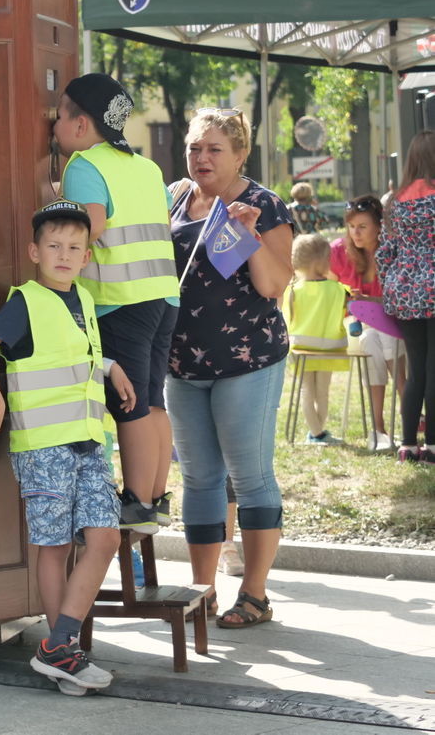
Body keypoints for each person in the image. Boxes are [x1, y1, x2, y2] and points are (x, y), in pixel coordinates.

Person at [0, 199, 135, 695]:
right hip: (43, 447)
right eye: (54, 246)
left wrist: (110, 368)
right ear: (34, 251)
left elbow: (77, 357)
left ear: (86, 257)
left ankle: (59, 646)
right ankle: (65, 653)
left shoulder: (81, 299)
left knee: (105, 538)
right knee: (56, 546)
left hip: (88, 442)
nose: (64, 254)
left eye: (74, 247)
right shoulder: (25, 302)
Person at [166, 107, 293, 628]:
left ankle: (255, 594)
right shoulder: (173, 197)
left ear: (240, 154)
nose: (202, 158)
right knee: (199, 480)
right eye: (195, 147)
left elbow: (273, 286)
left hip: (248, 361)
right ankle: (203, 592)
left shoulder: (263, 204)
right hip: (182, 363)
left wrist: (250, 237)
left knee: (250, 476)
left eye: (215, 149)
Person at [58, 73, 179, 537]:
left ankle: (137, 502)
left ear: (82, 124)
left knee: (127, 401)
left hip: (118, 299)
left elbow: (91, 223)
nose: (54, 127)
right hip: (163, 295)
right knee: (152, 399)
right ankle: (157, 498)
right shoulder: (146, 167)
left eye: (59, 117)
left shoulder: (84, 165)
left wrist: (55, 226)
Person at [377, 130, 435, 465]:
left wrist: (391, 285)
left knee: (415, 370)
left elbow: (385, 252)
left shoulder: (395, 201)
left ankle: (408, 444)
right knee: (434, 367)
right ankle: (432, 447)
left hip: (404, 290)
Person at [330, 195, 403, 450]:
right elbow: (329, 294)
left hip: (399, 327)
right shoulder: (339, 251)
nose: (355, 233)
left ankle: (391, 424)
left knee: (383, 337)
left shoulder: (391, 250)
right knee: (370, 339)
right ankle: (384, 426)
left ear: (379, 226)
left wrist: (370, 300)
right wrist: (346, 299)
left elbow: (400, 299)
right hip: (358, 328)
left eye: (362, 226)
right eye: (351, 226)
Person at [283, 233, 350, 445]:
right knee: (322, 394)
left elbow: (287, 319)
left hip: (301, 351)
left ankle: (316, 433)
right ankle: (318, 433)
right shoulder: (338, 289)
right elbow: (349, 307)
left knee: (306, 392)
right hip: (328, 351)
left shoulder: (292, 290)